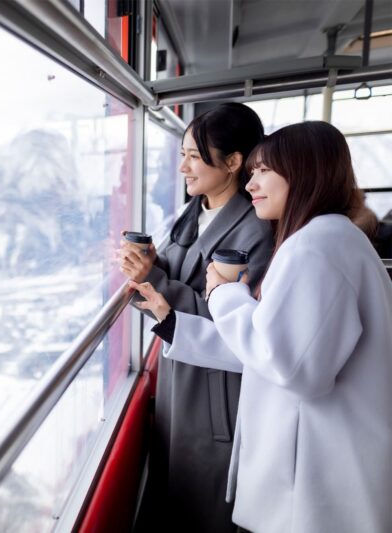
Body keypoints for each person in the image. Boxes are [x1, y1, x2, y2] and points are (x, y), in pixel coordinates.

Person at [131, 121, 392, 532]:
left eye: (264, 171)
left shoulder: (314, 249)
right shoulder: (330, 239)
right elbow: (274, 347)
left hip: (316, 479)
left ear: (305, 173)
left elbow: (293, 369)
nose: (251, 184)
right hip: (329, 464)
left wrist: (224, 294)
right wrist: (172, 321)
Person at [119, 103, 274, 533]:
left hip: (216, 392)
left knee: (205, 508)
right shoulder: (193, 213)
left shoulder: (255, 231)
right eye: (182, 153)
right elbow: (180, 281)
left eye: (193, 156)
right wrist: (150, 266)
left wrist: (153, 278)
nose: (182, 166)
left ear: (233, 162)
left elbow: (233, 321)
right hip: (180, 381)